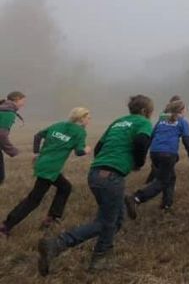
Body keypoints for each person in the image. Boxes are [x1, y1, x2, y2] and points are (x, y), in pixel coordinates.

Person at [38, 95, 154, 276]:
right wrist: (138, 163)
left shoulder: (118, 121)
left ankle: (101, 258)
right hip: (111, 178)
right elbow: (141, 142)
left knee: (116, 219)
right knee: (106, 223)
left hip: (95, 174)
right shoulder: (143, 122)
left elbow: (99, 147)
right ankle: (58, 244)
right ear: (146, 111)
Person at [1, 108, 91, 236]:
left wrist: (36, 153)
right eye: (88, 117)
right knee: (34, 199)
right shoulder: (80, 132)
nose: (89, 120)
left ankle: (52, 218)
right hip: (51, 169)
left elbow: (37, 136)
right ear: (81, 118)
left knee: (65, 187)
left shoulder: (58, 125)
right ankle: (6, 226)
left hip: (43, 163)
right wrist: (87, 150)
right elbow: (79, 152)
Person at [126, 100, 189, 216]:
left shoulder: (161, 121)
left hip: (155, 153)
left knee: (170, 177)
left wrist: (142, 157)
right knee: (162, 181)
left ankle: (166, 205)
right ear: (181, 110)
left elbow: (151, 136)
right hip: (168, 155)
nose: (186, 110)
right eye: (185, 108)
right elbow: (187, 141)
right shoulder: (183, 122)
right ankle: (136, 198)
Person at [0, 91, 26, 186]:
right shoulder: (8, 113)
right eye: (23, 101)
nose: (24, 104)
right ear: (16, 99)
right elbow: (1, 135)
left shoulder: (3, 108)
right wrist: (13, 151)